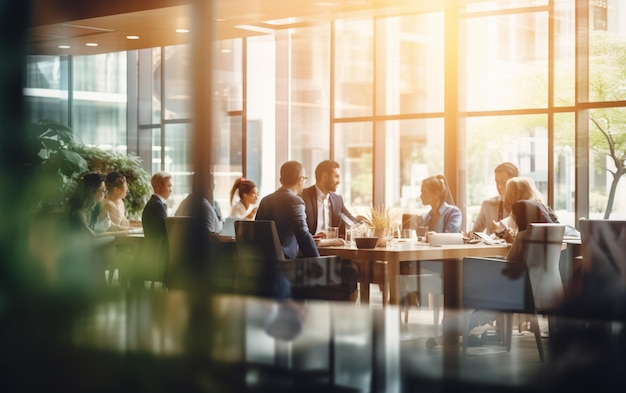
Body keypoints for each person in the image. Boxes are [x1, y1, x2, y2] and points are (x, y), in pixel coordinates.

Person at [255, 161, 319, 260]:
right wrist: (319, 263)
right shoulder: (295, 201)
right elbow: (303, 235)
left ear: (281, 180)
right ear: (301, 180)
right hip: (285, 264)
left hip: (262, 263)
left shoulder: (265, 200)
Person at [300, 159, 360, 239]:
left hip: (332, 247)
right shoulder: (302, 197)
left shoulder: (337, 199)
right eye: (336, 177)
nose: (339, 181)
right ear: (325, 176)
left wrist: (363, 224)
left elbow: (350, 219)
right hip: (311, 247)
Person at [471, 162, 519, 235]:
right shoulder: (487, 204)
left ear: (514, 182)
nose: (499, 187)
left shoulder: (523, 207)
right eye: (497, 182)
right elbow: (475, 233)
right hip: (492, 246)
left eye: (503, 182)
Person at [68, 171, 112, 236]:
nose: (105, 193)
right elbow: (91, 236)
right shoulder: (80, 210)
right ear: (92, 191)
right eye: (103, 190)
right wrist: (117, 235)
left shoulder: (91, 207)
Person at [142, 171, 172, 244]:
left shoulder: (155, 203)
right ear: (159, 187)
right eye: (169, 186)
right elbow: (163, 233)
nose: (171, 190)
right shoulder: (157, 205)